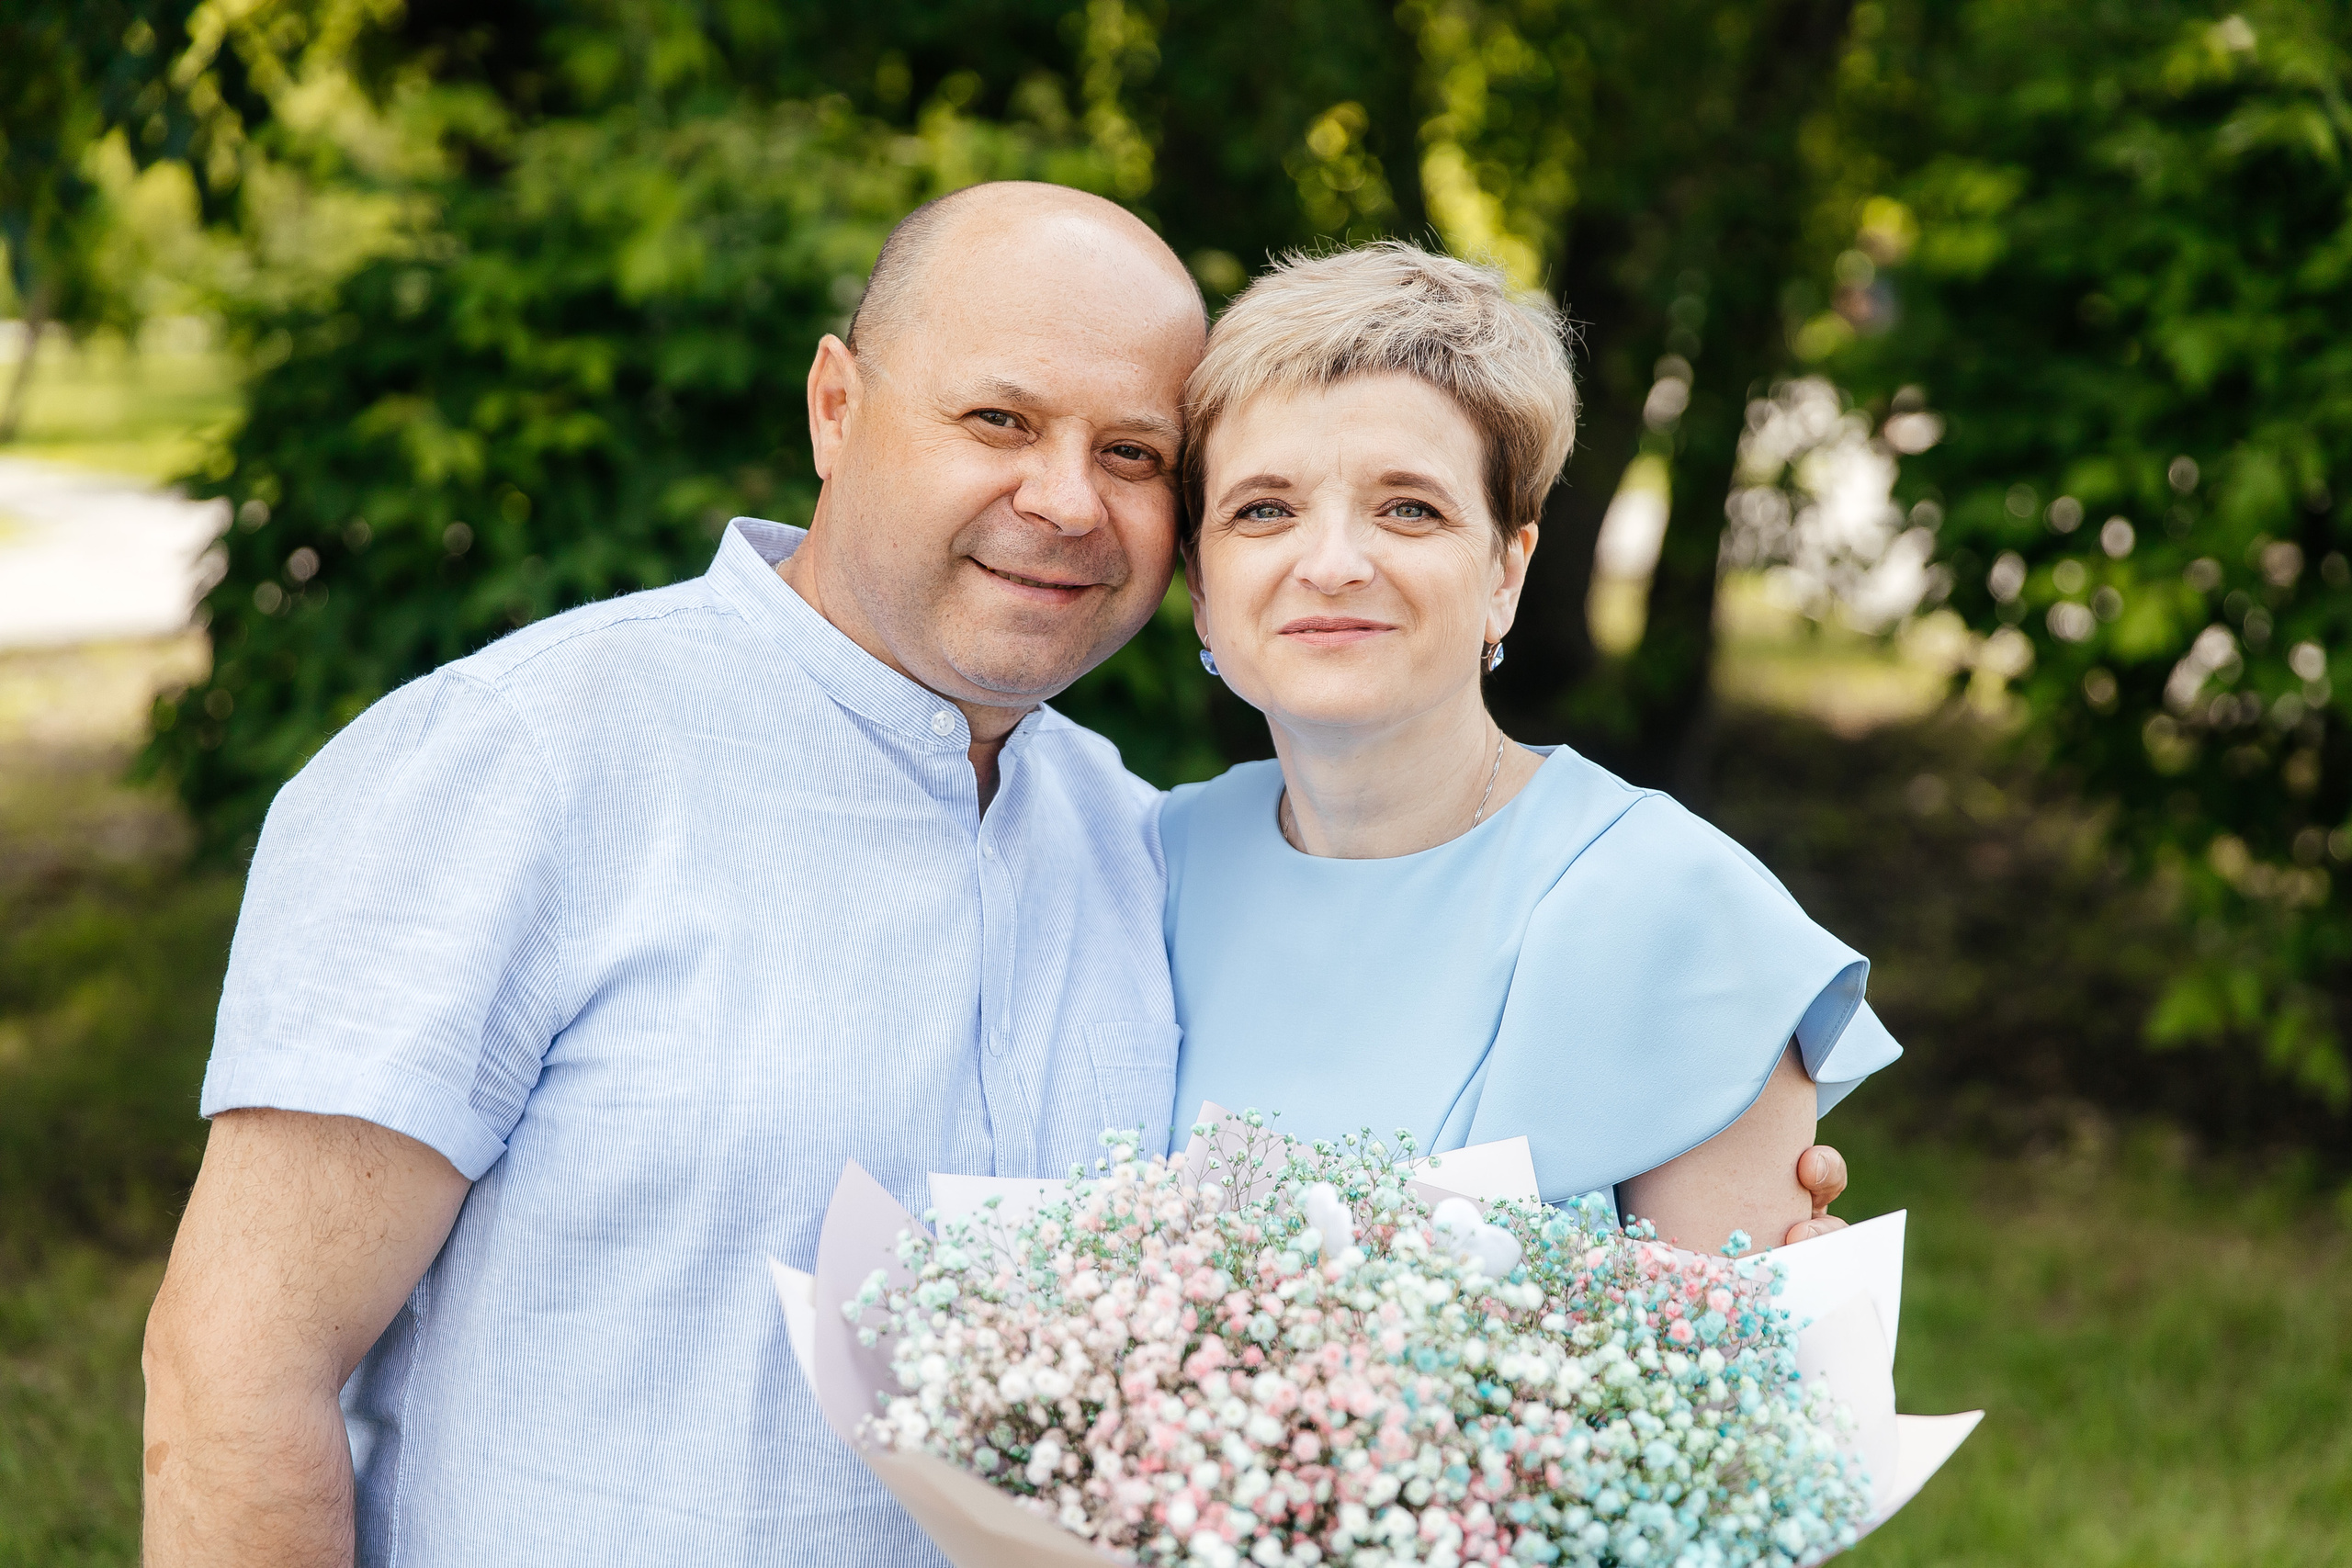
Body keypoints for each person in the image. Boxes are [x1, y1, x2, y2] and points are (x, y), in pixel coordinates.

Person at [141, 188, 1852, 1566]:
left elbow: (1720, 1462)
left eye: (1130, 455)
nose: (1063, 499)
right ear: (835, 406)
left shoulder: (1115, 830)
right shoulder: (525, 757)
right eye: (998, 419)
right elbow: (234, 1381)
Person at [1164, 242, 1900, 1253]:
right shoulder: (1147, 868)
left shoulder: (1676, 913)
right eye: (1264, 510)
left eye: (1408, 508)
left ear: (1507, 571)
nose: (1330, 564)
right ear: (1202, 584)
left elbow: (1741, 1393)